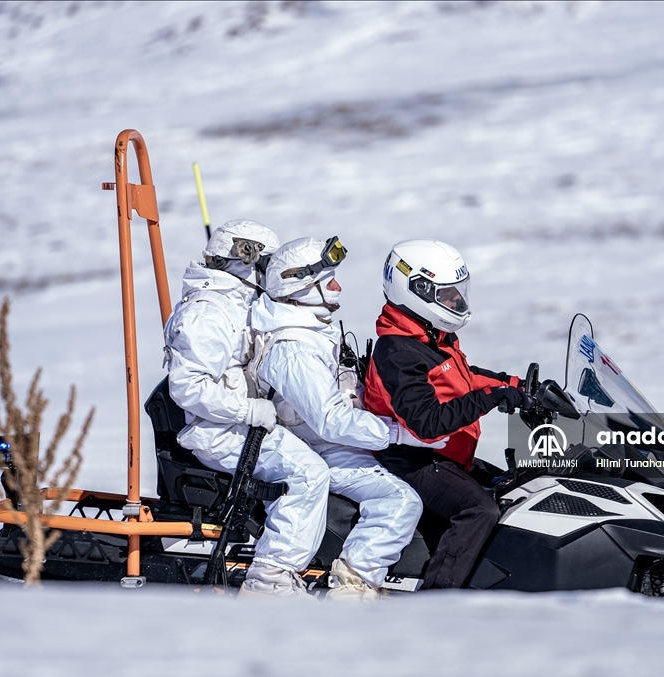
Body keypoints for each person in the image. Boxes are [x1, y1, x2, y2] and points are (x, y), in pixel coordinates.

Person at [251, 236, 425, 600]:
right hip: (320, 449)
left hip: (334, 444)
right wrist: (398, 433)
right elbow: (331, 420)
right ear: (300, 285)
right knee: (400, 501)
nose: (337, 286)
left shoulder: (313, 331)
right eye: (328, 280)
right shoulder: (292, 349)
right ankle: (352, 588)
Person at [164, 219, 331, 598]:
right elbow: (187, 387)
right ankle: (270, 579)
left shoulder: (237, 303)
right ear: (246, 261)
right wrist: (247, 411)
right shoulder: (210, 311)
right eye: (266, 265)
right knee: (308, 473)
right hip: (217, 432)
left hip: (240, 425)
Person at [364, 239, 526, 590]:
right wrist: (491, 397)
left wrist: (519, 386)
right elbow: (426, 422)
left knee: (520, 486)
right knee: (479, 511)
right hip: (412, 462)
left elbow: (463, 378)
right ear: (417, 291)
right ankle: (439, 600)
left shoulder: (429, 336)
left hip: (446, 456)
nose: (458, 301)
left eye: (458, 292)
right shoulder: (396, 352)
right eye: (448, 294)